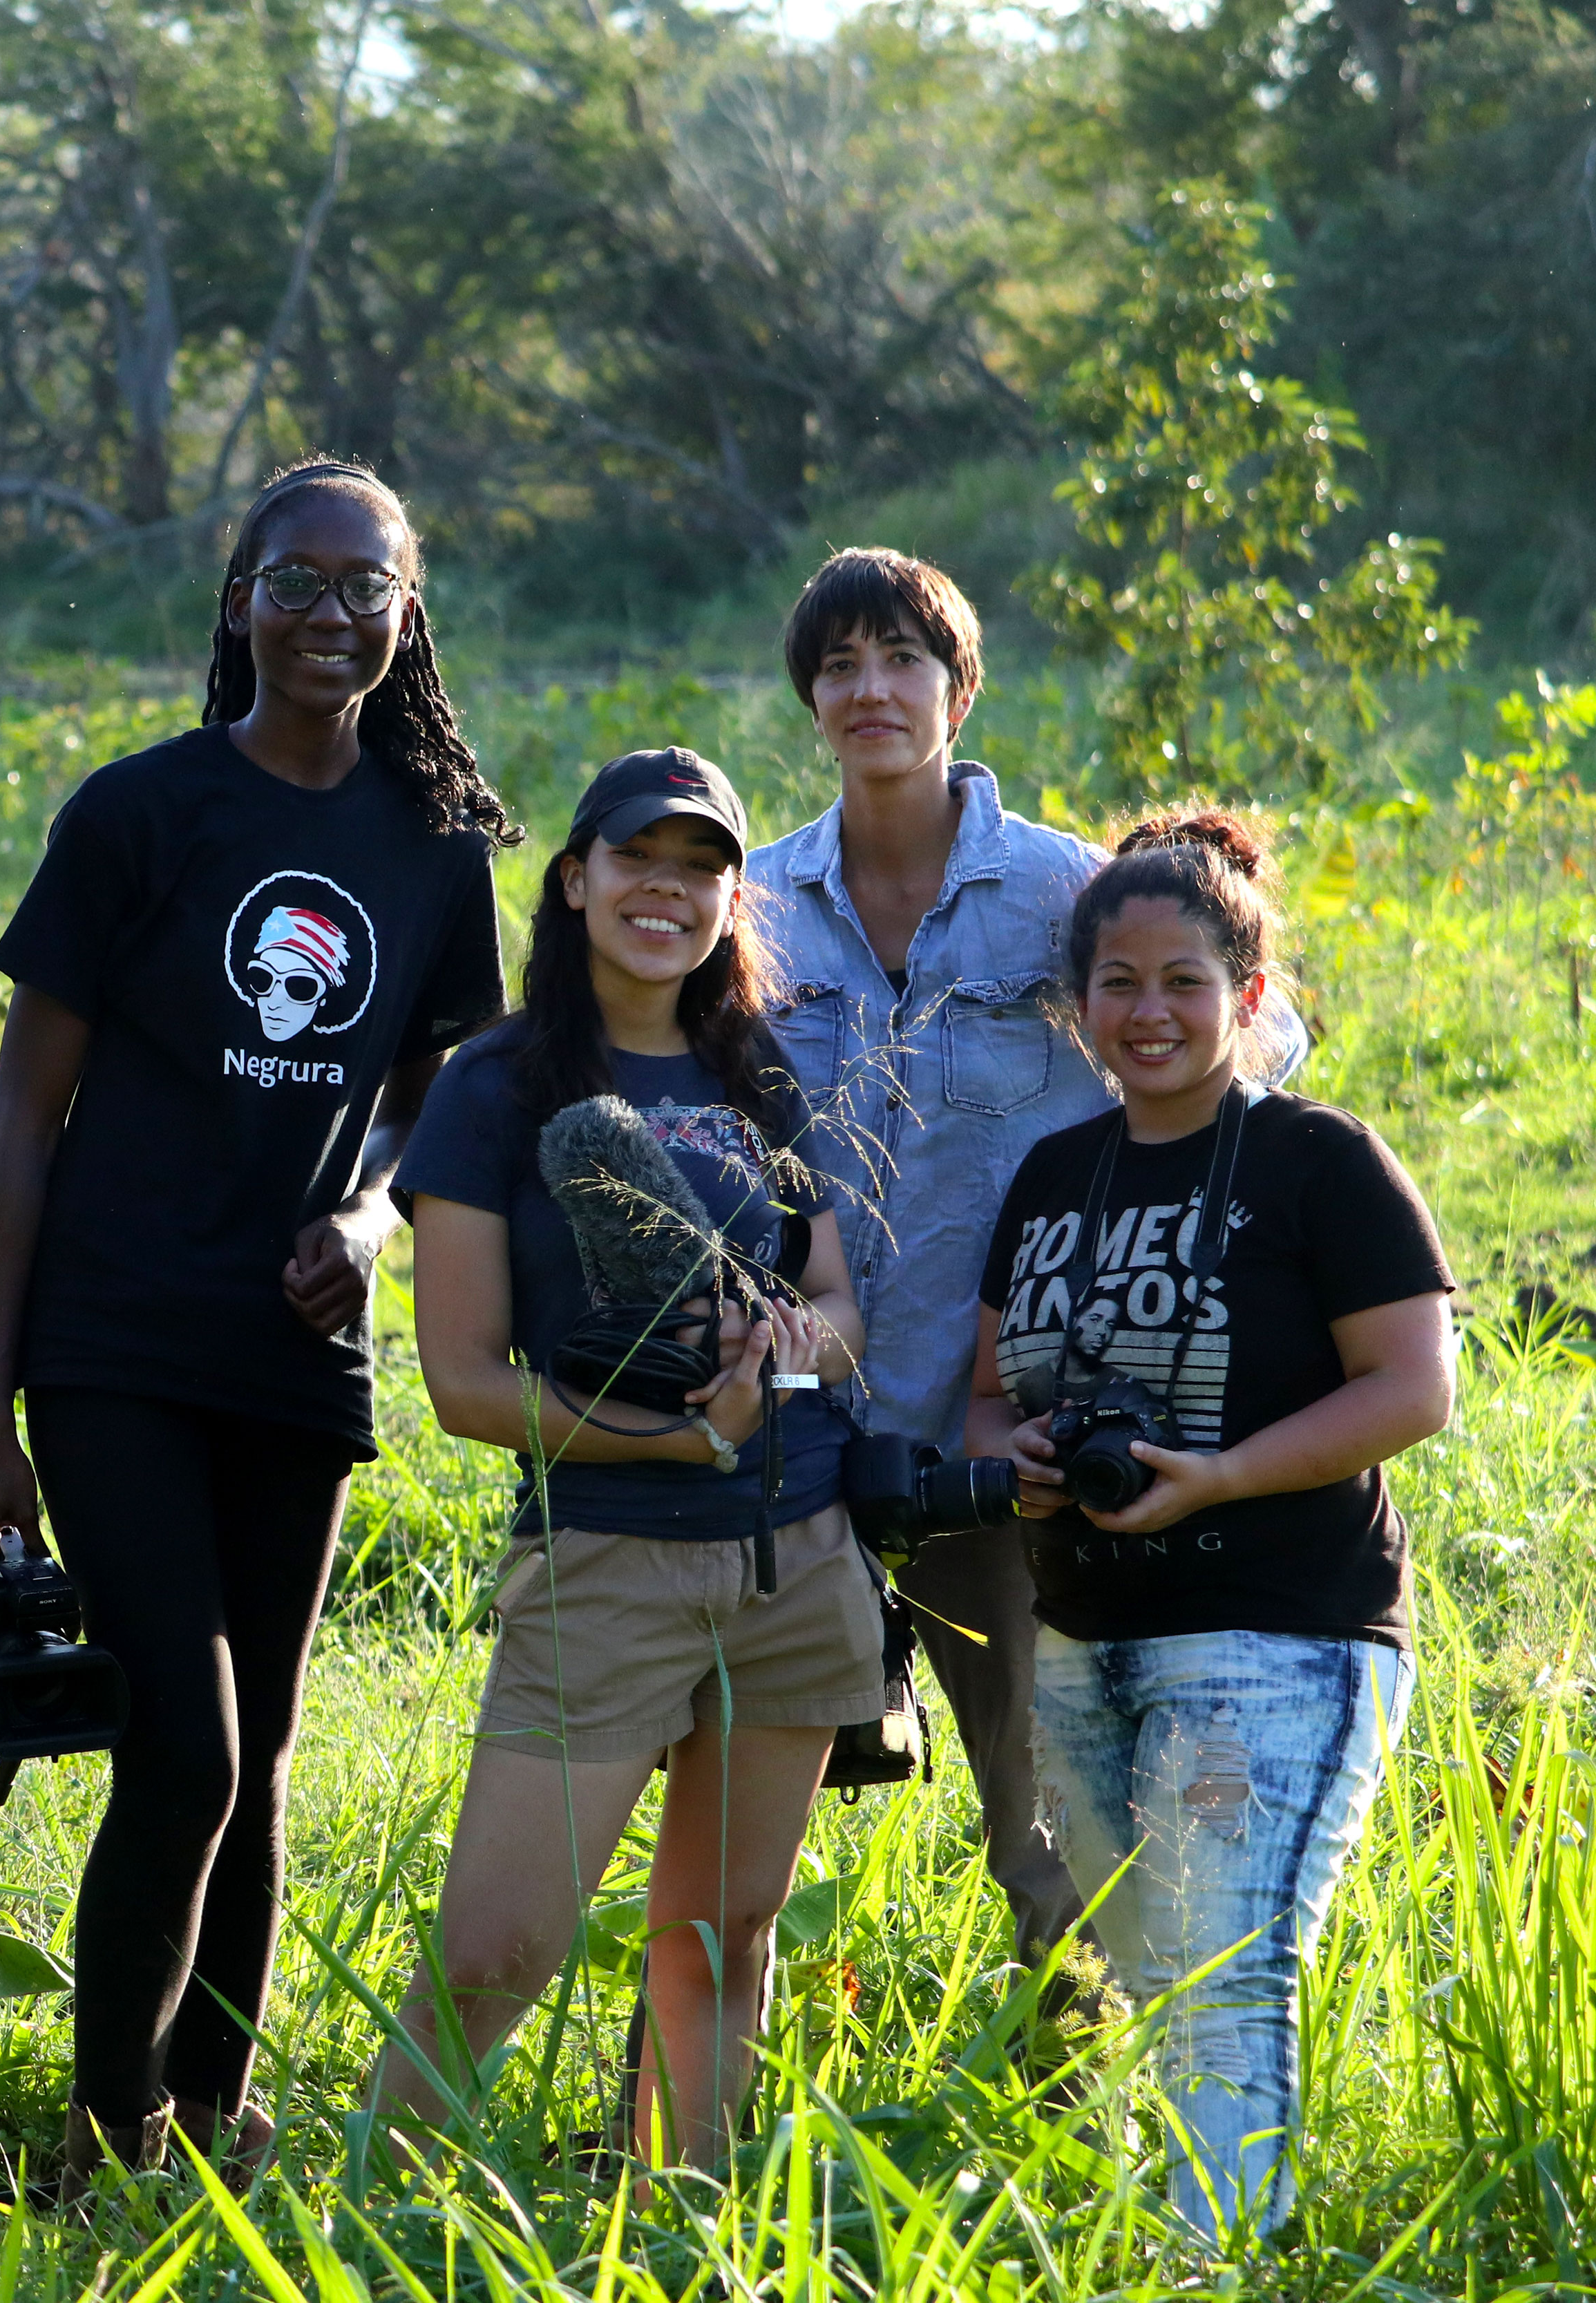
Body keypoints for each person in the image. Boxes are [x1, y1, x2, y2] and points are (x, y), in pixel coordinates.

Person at [0, 457, 518, 2190]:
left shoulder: (431, 848)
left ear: (405, 612)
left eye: (368, 587)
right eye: (299, 579)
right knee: (181, 1740)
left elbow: (447, 1094)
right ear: (239, 597)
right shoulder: (136, 813)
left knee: (261, 1752)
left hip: (297, 1348)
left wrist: (367, 1213)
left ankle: (208, 2116)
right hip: (113, 1339)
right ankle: (96, 2124)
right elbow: (23, 1125)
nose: (331, 614)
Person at [740, 548, 1307, 1972]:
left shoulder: (1062, 892)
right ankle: (682, 2125)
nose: (872, 690)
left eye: (902, 659)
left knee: (1033, 1814)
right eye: (840, 665)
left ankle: (1078, 2096)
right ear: (809, 697)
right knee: (739, 1808)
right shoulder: (751, 905)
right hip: (793, 1435)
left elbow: (1256, 1045)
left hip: (999, 1431)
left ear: (959, 685)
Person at [370, 749, 871, 2168]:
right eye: (636, 858)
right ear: (575, 878)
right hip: (604, 1557)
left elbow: (837, 1310)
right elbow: (465, 1380)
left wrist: (775, 1351)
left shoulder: (754, 1070)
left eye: (703, 866)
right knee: (499, 1948)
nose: (668, 888)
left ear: (732, 899)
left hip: (797, 1552)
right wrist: (669, 1433)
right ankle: (359, 2210)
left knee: (719, 1939)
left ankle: (683, 2211)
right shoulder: (499, 1084)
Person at [965, 813, 1452, 2242]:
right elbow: (985, 1399)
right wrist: (1026, 1462)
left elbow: (1414, 1386)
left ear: (1246, 996)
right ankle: (1171, 2238)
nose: (1149, 1011)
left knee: (1230, 1969)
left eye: (1184, 980)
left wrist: (1219, 1473)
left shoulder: (1319, 1160)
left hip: (1277, 1636)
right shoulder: (1054, 1174)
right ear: (1079, 1006)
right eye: (1117, 981)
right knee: (1161, 1976)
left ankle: (1212, 2263)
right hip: (1084, 1640)